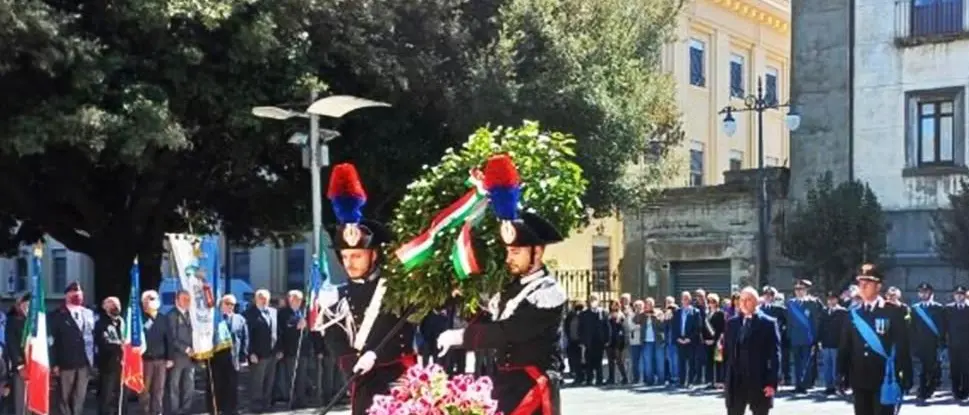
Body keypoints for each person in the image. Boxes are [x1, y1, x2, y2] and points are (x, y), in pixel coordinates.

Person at [436, 154, 567, 414]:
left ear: (537, 252)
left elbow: (508, 332)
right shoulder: (512, 287)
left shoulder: (548, 292)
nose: (509, 259)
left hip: (533, 388)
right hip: (506, 386)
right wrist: (460, 294)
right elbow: (487, 317)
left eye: (516, 252)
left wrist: (460, 336)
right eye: (508, 251)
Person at [319, 162, 417, 415]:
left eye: (357, 256)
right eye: (345, 256)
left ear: (373, 255)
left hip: (400, 379)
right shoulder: (336, 298)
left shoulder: (397, 288)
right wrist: (352, 362)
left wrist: (376, 356)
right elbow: (334, 338)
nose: (349, 263)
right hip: (362, 381)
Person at [837, 263, 912, 415]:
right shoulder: (853, 314)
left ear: (878, 287)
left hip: (884, 378)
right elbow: (845, 347)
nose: (863, 286)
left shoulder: (893, 312)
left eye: (868, 283)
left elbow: (902, 346)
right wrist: (841, 373)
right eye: (860, 283)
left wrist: (905, 375)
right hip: (859, 377)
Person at [723, 286, 780, 415]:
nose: (743, 303)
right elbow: (728, 353)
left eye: (748, 300)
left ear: (756, 302)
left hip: (759, 379)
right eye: (741, 300)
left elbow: (775, 355)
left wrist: (772, 382)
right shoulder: (732, 323)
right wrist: (725, 378)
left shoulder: (768, 323)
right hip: (736, 380)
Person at [48, 281, 95, 415]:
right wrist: (54, 363)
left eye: (79, 292)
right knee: (64, 396)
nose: (77, 294)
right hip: (65, 363)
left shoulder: (88, 313)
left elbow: (92, 336)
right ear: (67, 295)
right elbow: (51, 341)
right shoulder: (56, 315)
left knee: (80, 396)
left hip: (84, 362)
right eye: (74, 292)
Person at [209, 294, 248, 415]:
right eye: (227, 303)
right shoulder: (214, 318)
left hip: (233, 357)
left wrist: (243, 356)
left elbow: (244, 338)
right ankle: (216, 409)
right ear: (221, 304)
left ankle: (231, 409)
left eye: (232, 304)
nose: (230, 306)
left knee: (232, 385)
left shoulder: (240, 319)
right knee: (217, 384)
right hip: (216, 357)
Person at [244, 289, 279, 413]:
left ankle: (267, 404)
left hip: (272, 353)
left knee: (269, 381)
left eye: (266, 298)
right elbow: (247, 335)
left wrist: (279, 349)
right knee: (257, 382)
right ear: (256, 299)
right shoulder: (249, 314)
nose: (264, 300)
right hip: (258, 354)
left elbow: (277, 331)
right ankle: (256, 405)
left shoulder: (273, 312)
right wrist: (250, 352)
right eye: (261, 298)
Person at [909, 282, 945, 401]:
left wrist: (942, 343)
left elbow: (942, 326)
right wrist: (913, 344)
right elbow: (912, 328)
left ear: (931, 293)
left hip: (933, 343)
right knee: (922, 368)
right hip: (920, 344)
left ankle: (930, 388)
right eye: (921, 292)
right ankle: (923, 389)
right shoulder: (915, 309)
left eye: (926, 292)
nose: (923, 294)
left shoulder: (938, 308)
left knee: (932, 367)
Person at [278, 290, 314, 408]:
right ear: (290, 299)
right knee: (291, 377)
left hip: (302, 350)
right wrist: (296, 327)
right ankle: (291, 400)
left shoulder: (302, 312)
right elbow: (283, 330)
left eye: (300, 299)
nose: (298, 301)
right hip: (291, 350)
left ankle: (301, 399)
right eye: (296, 299)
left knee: (302, 377)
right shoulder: (283, 313)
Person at [786, 279, 823, 394]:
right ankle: (798, 384)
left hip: (808, 337)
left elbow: (816, 321)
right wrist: (789, 336)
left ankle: (805, 384)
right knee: (797, 362)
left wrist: (816, 337)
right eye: (797, 289)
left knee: (806, 362)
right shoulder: (790, 303)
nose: (798, 291)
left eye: (801, 289)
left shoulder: (813, 303)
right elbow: (789, 322)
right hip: (795, 337)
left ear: (806, 290)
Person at [139, 289, 171, 415]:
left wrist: (170, 358)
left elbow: (169, 339)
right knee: (144, 390)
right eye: (147, 299)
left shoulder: (163, 318)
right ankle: (145, 412)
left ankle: (157, 412)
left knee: (159, 389)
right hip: (145, 360)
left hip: (161, 360)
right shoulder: (139, 319)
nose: (149, 302)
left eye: (152, 299)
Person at [165, 289, 196, 415]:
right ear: (177, 300)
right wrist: (186, 349)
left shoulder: (191, 315)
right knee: (174, 385)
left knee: (189, 384)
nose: (187, 302)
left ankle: (186, 409)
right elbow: (172, 338)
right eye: (184, 299)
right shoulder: (171, 315)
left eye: (189, 299)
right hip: (177, 356)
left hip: (191, 357)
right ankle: (175, 410)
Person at [94, 296, 124, 415]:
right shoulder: (101, 323)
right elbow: (104, 343)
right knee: (106, 395)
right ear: (104, 307)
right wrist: (120, 345)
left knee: (121, 396)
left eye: (117, 304)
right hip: (108, 364)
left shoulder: (122, 322)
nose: (115, 306)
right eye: (111, 304)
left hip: (123, 365)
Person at [4, 293, 30, 415]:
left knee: (31, 402)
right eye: (25, 304)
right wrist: (20, 365)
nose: (27, 307)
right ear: (19, 305)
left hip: (35, 365)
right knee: (20, 401)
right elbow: (12, 344)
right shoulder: (13, 320)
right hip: (21, 367)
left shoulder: (34, 321)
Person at [818, 291, 847, 395]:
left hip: (837, 343)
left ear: (837, 300)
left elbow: (844, 329)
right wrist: (819, 340)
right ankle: (829, 387)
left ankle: (838, 386)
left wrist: (843, 343)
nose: (830, 301)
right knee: (827, 366)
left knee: (836, 366)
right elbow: (820, 327)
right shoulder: (824, 311)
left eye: (833, 299)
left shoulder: (842, 312)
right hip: (826, 342)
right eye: (829, 299)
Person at [671, 291, 700, 388]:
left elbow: (698, 328)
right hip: (680, 340)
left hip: (691, 341)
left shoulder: (695, 312)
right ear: (681, 300)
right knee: (681, 362)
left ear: (690, 300)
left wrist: (689, 339)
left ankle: (691, 381)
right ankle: (682, 381)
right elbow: (674, 327)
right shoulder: (677, 312)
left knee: (692, 362)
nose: (685, 300)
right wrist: (677, 338)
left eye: (687, 298)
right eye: (683, 298)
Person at [578, 294, 609, 385]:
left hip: (599, 341)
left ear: (598, 301)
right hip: (588, 341)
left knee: (599, 360)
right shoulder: (584, 314)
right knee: (589, 361)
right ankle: (589, 379)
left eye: (595, 299)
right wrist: (582, 341)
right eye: (591, 299)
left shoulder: (603, 312)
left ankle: (599, 379)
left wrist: (607, 339)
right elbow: (581, 328)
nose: (593, 301)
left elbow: (606, 327)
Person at [759, 286, 788, 385]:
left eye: (770, 295)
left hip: (775, 337)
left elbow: (786, 322)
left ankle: (778, 377)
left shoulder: (779, 309)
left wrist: (782, 330)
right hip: (762, 338)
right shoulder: (759, 309)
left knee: (776, 358)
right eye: (766, 295)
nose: (768, 297)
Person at [946, 285, 969, 401]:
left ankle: (966, 391)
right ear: (954, 296)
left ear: (965, 296)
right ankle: (956, 391)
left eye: (961, 294)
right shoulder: (948, 309)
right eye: (957, 294)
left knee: (966, 369)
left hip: (967, 345)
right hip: (953, 344)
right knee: (954, 369)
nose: (959, 296)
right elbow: (945, 326)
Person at [605, 302, 628, 384]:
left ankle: (624, 377)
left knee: (619, 360)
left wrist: (618, 319)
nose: (614, 306)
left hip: (618, 340)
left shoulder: (621, 315)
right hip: (609, 340)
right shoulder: (608, 315)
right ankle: (611, 378)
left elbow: (623, 328)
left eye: (616, 305)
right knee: (610, 360)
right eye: (613, 305)